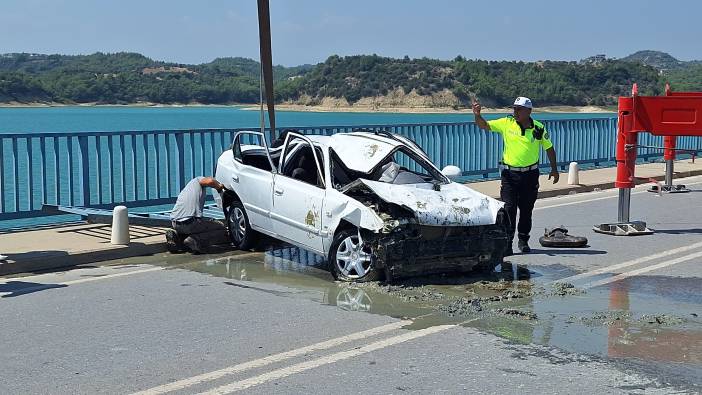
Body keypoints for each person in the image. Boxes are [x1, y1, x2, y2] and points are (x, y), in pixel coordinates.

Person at [472, 96, 559, 255]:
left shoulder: (538, 128)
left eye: (519, 109)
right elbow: (484, 126)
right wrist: (477, 115)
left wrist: (554, 169)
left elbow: (549, 148)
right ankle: (508, 243)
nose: (515, 112)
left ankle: (523, 240)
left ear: (529, 111)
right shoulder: (507, 123)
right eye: (514, 109)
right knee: (509, 209)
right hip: (509, 174)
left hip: (530, 175)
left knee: (526, 210)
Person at [167, 176, 230, 254]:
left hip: (175, 223)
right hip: (190, 223)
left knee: (205, 222)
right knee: (221, 228)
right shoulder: (198, 180)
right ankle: (195, 240)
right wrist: (219, 187)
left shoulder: (188, 189)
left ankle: (176, 236)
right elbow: (210, 181)